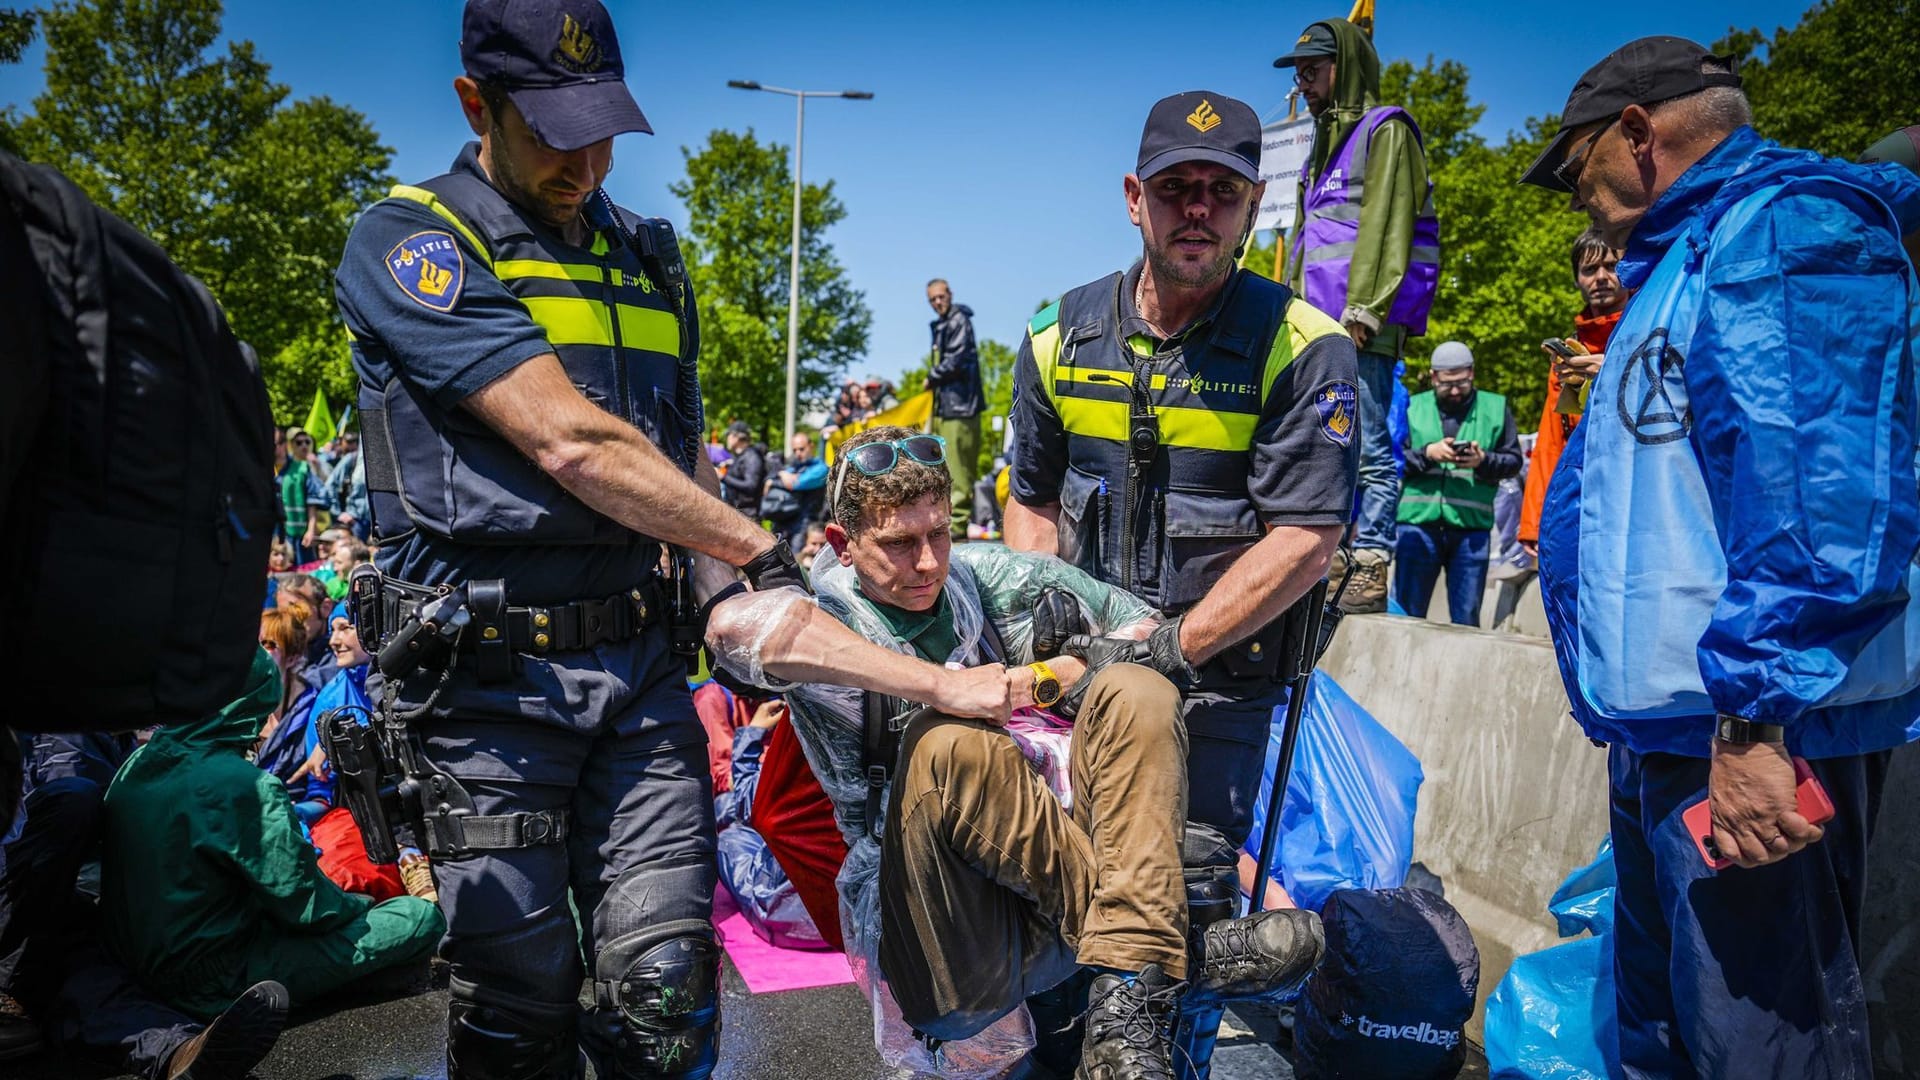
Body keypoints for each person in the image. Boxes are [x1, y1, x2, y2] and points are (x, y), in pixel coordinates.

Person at [330, 1, 807, 1073]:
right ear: (475, 104)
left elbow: (673, 458)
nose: (585, 161)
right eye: (552, 129)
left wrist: (728, 606)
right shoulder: (412, 239)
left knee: (663, 996)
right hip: (485, 692)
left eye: (602, 128)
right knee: (517, 1012)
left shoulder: (646, 255)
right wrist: (757, 549)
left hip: (639, 679)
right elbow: (573, 442)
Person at [1523, 36, 1920, 1076]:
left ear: (1639, 133)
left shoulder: (1784, 231)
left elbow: (1818, 502)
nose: (1581, 200)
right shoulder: (1691, 257)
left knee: (1762, 1050)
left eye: (1578, 170)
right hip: (1676, 735)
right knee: (1671, 1041)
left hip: (1753, 742)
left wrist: (1756, 722)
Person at [705, 426, 1324, 1077]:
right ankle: (1178, 957)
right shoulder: (823, 611)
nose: (926, 562)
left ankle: (1131, 988)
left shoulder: (973, 579)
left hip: (1042, 894)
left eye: (938, 534)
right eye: (898, 543)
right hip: (940, 935)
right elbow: (732, 631)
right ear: (843, 545)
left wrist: (1068, 666)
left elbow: (1140, 627)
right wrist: (945, 685)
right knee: (951, 743)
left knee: (1136, 689)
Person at [1006, 91, 1360, 854]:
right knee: (1056, 879)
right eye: (1175, 188)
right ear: (1136, 198)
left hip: (1217, 686)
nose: (1198, 210)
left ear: (1255, 204)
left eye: (1222, 191)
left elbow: (1306, 537)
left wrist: (1173, 646)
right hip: (1079, 672)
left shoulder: (1304, 347)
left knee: (1183, 889)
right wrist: (1040, 610)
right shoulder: (1054, 336)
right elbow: (1030, 500)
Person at [100, 648, 444, 1021]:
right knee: (418, 918)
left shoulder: (137, 763)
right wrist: (361, 905)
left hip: (134, 962)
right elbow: (309, 909)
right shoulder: (244, 786)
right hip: (216, 978)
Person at [1276, 19, 1440, 613]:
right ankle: (1335, 560)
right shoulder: (1323, 143)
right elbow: (1304, 240)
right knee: (1327, 449)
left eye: (1313, 69)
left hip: (1359, 327)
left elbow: (1387, 223)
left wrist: (1365, 312)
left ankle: (1369, 562)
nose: (1303, 80)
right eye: (1299, 70)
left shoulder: (1385, 131)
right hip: (1314, 329)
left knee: (1367, 447)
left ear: (1344, 67)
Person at [0, 767, 293, 1079]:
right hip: (19, 931)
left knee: (81, 973)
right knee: (71, 798)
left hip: (30, 923)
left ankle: (178, 1051)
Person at [1394, 341, 1521, 626]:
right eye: (1447, 384)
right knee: (1405, 615)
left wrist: (1483, 460)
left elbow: (1513, 461)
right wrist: (1428, 454)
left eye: (1461, 383)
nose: (1454, 390)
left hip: (1470, 531)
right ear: (1434, 376)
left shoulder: (1495, 408)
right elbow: (1392, 458)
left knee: (1466, 618)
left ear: (1472, 373)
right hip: (1417, 527)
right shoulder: (1412, 406)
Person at [1518, 230, 1623, 558]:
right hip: (1584, 496)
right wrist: (1534, 523)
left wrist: (1613, 371)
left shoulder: (1648, 329)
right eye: (1590, 270)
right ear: (1577, 279)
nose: (1601, 278)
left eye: (1611, 266)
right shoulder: (1568, 351)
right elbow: (1551, 438)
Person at [927, 279, 986, 540]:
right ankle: (949, 523)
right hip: (947, 407)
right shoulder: (942, 325)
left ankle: (957, 527)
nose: (938, 302)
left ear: (950, 294)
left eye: (941, 297)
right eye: (932, 300)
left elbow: (957, 358)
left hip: (961, 408)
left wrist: (932, 376)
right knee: (945, 468)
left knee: (959, 470)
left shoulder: (958, 320)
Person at [765, 430, 829, 549]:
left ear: (811, 446)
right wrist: (782, 476)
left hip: (804, 526)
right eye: (795, 450)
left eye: (801, 449)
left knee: (797, 560)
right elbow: (773, 481)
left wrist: (780, 476)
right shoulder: (794, 466)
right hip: (784, 521)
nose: (798, 453)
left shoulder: (820, 468)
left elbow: (794, 483)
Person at [274, 427, 328, 564]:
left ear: (285, 444)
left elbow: (312, 501)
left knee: (302, 574)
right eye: (298, 442)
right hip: (273, 536)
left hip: (299, 536)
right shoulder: (261, 468)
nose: (275, 448)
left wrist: (311, 530)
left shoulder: (302, 468)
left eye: (278, 443)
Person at [719, 419, 768, 515]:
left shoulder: (752, 457)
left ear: (736, 437)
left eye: (728, 435)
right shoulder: (740, 456)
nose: (727, 439)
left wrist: (723, 477)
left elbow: (751, 486)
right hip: (737, 512)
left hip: (748, 515)